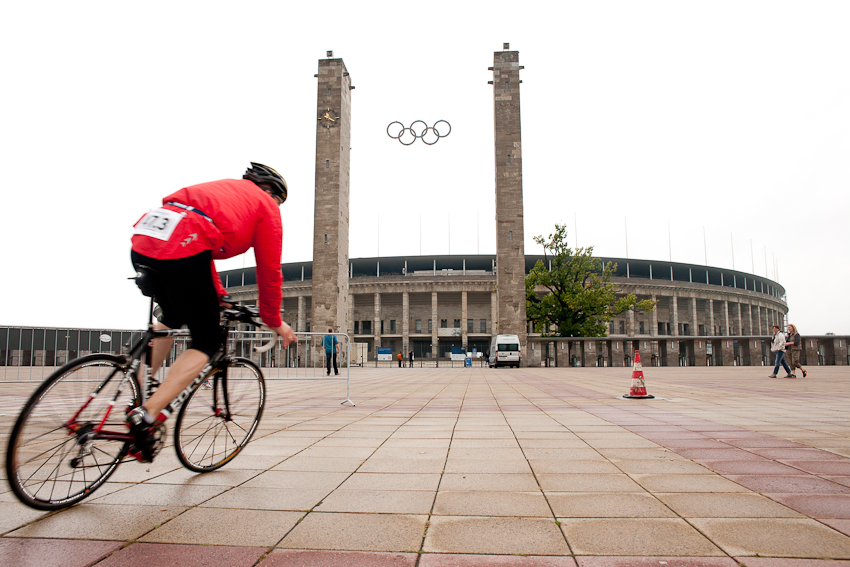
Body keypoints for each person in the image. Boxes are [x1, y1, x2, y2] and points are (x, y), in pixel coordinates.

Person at [126, 163, 297, 462]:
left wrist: (220, 296)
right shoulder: (265, 206)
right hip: (184, 248)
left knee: (171, 317)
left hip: (145, 243)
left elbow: (202, 246)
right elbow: (269, 270)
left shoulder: (221, 192)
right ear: (271, 192)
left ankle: (137, 392)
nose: (277, 207)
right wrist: (274, 320)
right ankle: (147, 415)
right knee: (207, 341)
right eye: (279, 201)